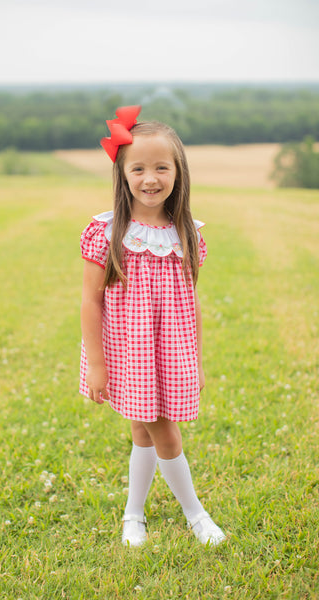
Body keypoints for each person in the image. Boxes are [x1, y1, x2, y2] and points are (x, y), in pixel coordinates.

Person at [80, 106, 226, 547]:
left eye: (161, 167)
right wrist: (98, 364)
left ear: (178, 173)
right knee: (160, 427)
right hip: (128, 349)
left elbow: (191, 302)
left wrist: (196, 362)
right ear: (123, 174)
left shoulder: (186, 234)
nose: (150, 178)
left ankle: (133, 514)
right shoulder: (107, 233)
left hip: (171, 348)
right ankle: (195, 514)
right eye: (138, 168)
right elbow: (90, 299)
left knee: (146, 428)